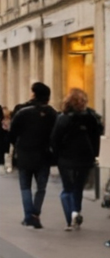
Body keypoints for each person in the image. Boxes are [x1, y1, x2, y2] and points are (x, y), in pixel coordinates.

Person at [50, 88, 104, 231]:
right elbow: (96, 138)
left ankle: (69, 219)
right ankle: (76, 211)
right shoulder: (90, 118)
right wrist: (94, 155)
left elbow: (54, 139)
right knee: (78, 187)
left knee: (67, 189)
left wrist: (57, 155)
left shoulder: (63, 118)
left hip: (65, 159)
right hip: (85, 158)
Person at [8, 82, 58, 229]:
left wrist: (17, 145)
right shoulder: (52, 113)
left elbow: (12, 133)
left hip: (24, 153)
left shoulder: (21, 111)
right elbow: (56, 134)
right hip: (44, 154)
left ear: (34, 94)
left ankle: (28, 216)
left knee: (25, 187)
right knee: (41, 187)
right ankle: (35, 214)